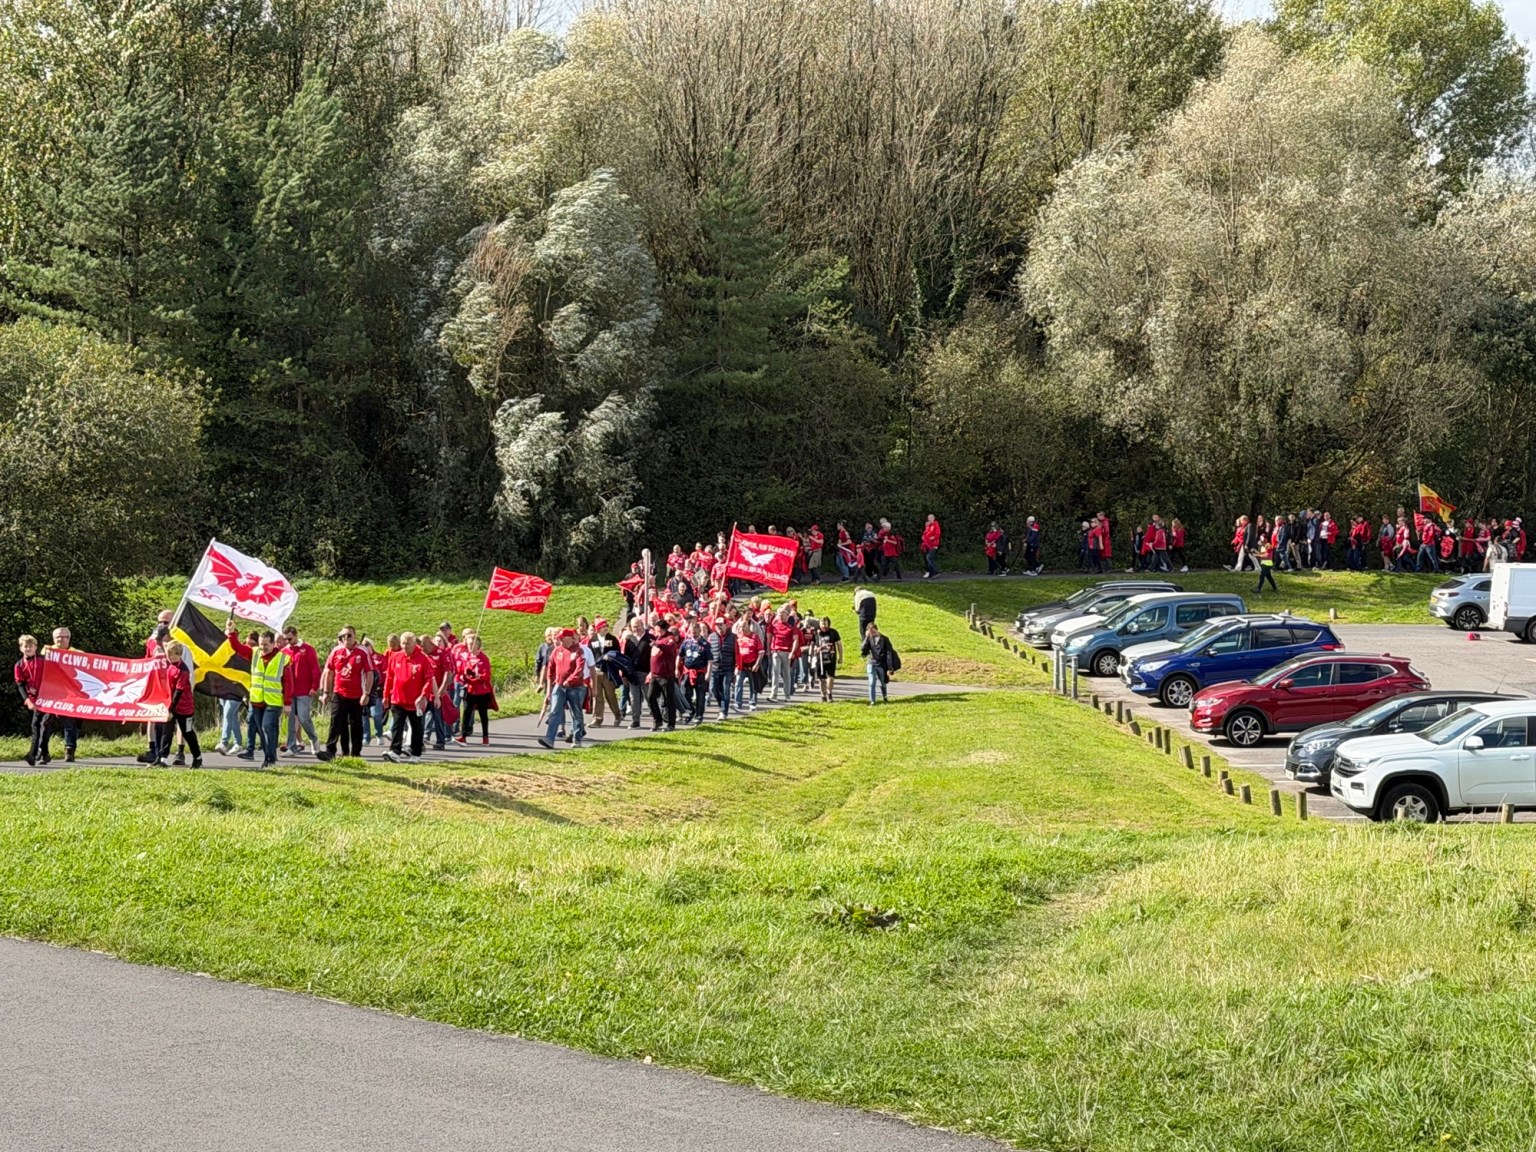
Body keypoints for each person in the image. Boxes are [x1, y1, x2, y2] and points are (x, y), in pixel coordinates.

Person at [227, 626, 289, 768]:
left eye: (266, 644)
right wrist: (231, 633)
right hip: (256, 700)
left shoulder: (283, 659)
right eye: (261, 644)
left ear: (273, 644)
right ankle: (269, 757)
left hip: (273, 701)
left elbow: (288, 682)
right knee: (262, 730)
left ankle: (270, 758)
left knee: (268, 727)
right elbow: (237, 648)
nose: (263, 647)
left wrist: (287, 702)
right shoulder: (254, 653)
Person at [320, 625, 371, 759]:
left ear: (355, 636)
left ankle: (355, 752)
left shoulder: (362, 652)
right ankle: (331, 751)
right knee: (336, 721)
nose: (346, 638)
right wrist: (326, 692)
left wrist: (367, 693)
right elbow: (329, 672)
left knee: (356, 724)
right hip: (339, 692)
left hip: (356, 694)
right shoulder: (336, 651)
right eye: (343, 636)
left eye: (349, 635)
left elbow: (369, 673)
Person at [383, 632, 434, 763]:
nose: (405, 646)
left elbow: (429, 679)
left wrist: (423, 696)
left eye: (408, 644)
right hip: (398, 698)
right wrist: (386, 695)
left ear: (415, 644)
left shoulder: (423, 659)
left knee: (416, 728)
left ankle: (416, 754)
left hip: (415, 701)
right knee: (397, 726)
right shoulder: (396, 656)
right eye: (403, 643)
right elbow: (389, 677)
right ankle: (395, 752)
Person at [537, 629, 587, 749]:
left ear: (569, 638)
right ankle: (549, 739)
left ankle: (577, 739)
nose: (559, 640)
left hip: (576, 688)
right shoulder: (557, 650)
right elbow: (550, 670)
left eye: (562, 638)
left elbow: (579, 670)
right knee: (554, 711)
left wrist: (569, 681)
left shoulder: (578, 651)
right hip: (559, 686)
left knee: (576, 713)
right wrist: (549, 689)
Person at [157, 641, 204, 768]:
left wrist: (171, 709)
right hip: (172, 705)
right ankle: (163, 759)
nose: (170, 657)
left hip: (184, 707)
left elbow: (179, 690)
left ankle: (197, 757)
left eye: (173, 655)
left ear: (179, 654)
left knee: (187, 733)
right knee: (167, 731)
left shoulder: (183, 670)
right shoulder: (171, 667)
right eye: (169, 655)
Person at [281, 626, 321, 756]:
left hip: (304, 690)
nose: (288, 641)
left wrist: (314, 687)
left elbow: (315, 669)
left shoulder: (307, 649)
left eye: (290, 638)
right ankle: (291, 746)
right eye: (285, 639)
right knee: (291, 720)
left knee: (304, 717)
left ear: (296, 635)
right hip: (289, 691)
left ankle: (313, 738)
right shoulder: (284, 651)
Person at [41, 627, 79, 762]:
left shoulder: (78, 654)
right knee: (46, 722)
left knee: (70, 723)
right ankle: (43, 751)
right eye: (58, 636)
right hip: (51, 694)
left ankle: (70, 750)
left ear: (69, 639)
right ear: (53, 638)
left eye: (64, 637)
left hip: (70, 695)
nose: (60, 639)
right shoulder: (47, 652)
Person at [14, 634, 47, 767]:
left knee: (44, 725)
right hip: (34, 700)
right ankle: (41, 753)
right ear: (21, 648)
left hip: (49, 698)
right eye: (25, 646)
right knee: (36, 726)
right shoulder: (19, 664)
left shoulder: (44, 660)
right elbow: (20, 684)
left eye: (30, 645)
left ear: (36, 647)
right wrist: (27, 700)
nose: (28, 648)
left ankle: (34, 753)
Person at [456, 633, 495, 744]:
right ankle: (463, 735)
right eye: (468, 644)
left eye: (472, 644)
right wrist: (464, 675)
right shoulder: (467, 657)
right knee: (466, 712)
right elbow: (461, 672)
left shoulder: (484, 659)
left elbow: (486, 676)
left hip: (482, 691)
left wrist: (477, 676)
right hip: (470, 689)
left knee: (483, 714)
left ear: (478, 646)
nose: (470, 647)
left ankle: (485, 737)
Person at [644, 621, 679, 732]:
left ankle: (671, 724)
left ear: (660, 627)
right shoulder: (657, 638)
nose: (654, 628)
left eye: (656, 626)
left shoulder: (670, 638)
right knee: (650, 697)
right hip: (655, 675)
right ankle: (657, 719)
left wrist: (658, 644)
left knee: (669, 699)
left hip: (666, 675)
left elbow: (669, 649)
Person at [679, 620, 712, 725]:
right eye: (692, 631)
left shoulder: (705, 644)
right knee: (685, 693)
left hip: (700, 672)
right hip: (687, 672)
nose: (693, 633)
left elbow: (710, 660)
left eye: (695, 631)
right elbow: (679, 656)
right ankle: (690, 711)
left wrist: (708, 673)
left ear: (699, 630)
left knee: (700, 695)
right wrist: (676, 669)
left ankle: (699, 715)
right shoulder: (686, 642)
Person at [705, 615, 737, 719]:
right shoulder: (711, 637)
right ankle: (721, 704)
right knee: (713, 688)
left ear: (726, 625)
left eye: (721, 625)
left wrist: (737, 667)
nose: (719, 627)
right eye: (717, 625)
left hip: (728, 668)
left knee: (725, 690)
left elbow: (737, 653)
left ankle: (724, 711)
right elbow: (708, 653)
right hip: (714, 667)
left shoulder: (733, 637)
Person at [767, 604, 799, 701]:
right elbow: (769, 638)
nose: (780, 616)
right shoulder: (774, 625)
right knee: (775, 672)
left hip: (786, 652)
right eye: (779, 614)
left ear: (787, 615)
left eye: (782, 614)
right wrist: (770, 650)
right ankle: (774, 694)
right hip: (776, 650)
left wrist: (792, 652)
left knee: (786, 673)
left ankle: (787, 695)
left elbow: (795, 640)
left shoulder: (792, 627)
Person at [860, 623, 896, 705]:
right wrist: (867, 637)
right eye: (870, 632)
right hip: (871, 663)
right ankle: (872, 701)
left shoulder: (884, 639)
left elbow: (889, 653)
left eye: (873, 631)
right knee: (872, 682)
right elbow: (862, 648)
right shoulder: (869, 638)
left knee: (883, 682)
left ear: (877, 630)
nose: (872, 633)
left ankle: (885, 697)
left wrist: (890, 666)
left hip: (881, 664)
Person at [812, 616, 842, 702]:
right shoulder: (816, 633)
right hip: (820, 659)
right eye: (822, 623)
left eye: (825, 623)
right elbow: (812, 645)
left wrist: (840, 657)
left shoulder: (833, 632)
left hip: (831, 658)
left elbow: (839, 644)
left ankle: (829, 692)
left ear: (828, 623)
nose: (824, 625)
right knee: (821, 679)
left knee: (831, 677)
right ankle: (823, 695)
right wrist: (813, 653)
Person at [920, 514, 941, 578]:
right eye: (929, 518)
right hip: (926, 545)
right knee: (926, 559)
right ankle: (930, 573)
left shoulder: (935, 525)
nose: (930, 519)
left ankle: (935, 571)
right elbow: (925, 534)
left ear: (934, 518)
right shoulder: (928, 526)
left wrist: (933, 538)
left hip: (933, 545)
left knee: (929, 557)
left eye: (931, 518)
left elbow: (938, 534)